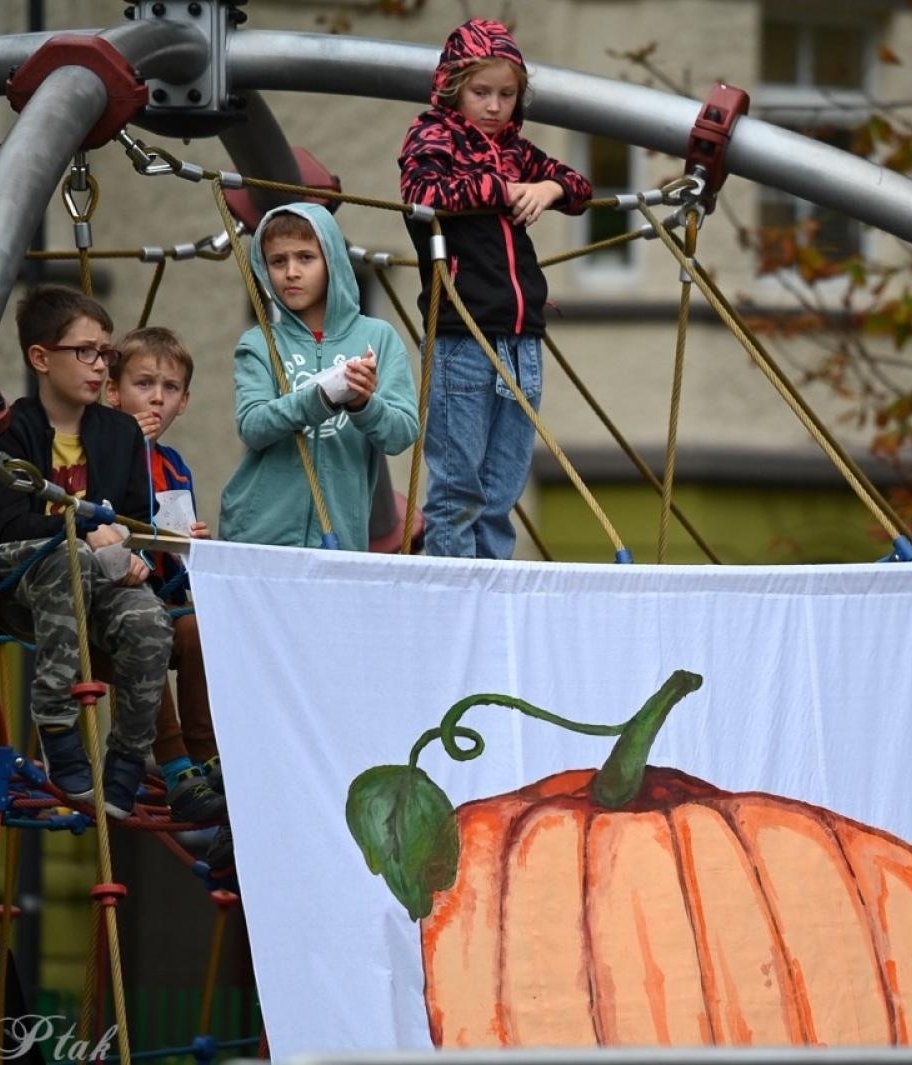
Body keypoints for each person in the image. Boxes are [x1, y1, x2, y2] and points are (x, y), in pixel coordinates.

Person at [0, 285, 173, 819]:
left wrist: (130, 553)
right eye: (85, 352)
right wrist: (84, 534)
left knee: (148, 619)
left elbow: (131, 516)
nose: (101, 366)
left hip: (94, 575)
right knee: (71, 555)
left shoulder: (120, 433)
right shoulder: (8, 431)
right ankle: (58, 726)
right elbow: (8, 520)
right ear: (41, 357)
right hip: (20, 567)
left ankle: (128, 759)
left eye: (106, 353)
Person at [398, 18, 594, 559]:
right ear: (452, 88)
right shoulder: (431, 136)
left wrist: (548, 187)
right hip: (463, 332)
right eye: (481, 92)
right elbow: (422, 190)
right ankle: (453, 595)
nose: (494, 106)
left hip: (521, 334)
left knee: (502, 488)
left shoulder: (515, 148)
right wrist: (504, 188)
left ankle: (493, 587)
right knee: (457, 487)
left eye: (507, 94)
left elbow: (579, 185)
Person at [219, 203, 418, 550]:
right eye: (278, 261)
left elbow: (401, 434)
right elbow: (252, 426)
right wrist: (323, 396)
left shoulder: (379, 337)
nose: (291, 272)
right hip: (258, 534)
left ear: (333, 262)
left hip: (340, 534)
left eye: (306, 258)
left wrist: (363, 404)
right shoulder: (259, 341)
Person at [104, 326, 228, 840]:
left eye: (170, 388)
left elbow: (173, 548)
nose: (157, 397)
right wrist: (131, 445)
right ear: (113, 393)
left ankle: (208, 755)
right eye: (144, 384)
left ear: (184, 401)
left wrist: (188, 541)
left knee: (200, 629)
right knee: (152, 632)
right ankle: (175, 764)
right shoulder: (104, 450)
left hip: (160, 593)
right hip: (112, 602)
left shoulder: (173, 464)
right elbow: (99, 510)